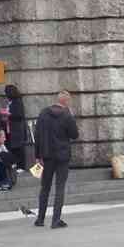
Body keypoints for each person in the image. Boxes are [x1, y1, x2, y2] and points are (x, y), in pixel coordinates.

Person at [33, 90, 79, 229]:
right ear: (66, 102)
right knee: (60, 188)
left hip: (47, 156)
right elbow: (75, 134)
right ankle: (55, 220)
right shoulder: (67, 115)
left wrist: (37, 156)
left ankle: (40, 219)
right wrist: (71, 117)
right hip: (62, 156)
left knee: (45, 187)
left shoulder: (43, 113)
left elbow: (38, 135)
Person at [4, 84, 28, 170]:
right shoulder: (11, 102)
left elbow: (19, 115)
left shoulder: (17, 102)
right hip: (11, 127)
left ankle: (21, 166)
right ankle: (16, 164)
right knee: (12, 146)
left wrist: (8, 114)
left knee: (19, 147)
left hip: (17, 128)